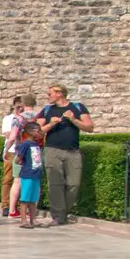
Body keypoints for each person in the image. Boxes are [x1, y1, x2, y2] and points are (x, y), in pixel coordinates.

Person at [36, 84, 95, 226]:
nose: (47, 96)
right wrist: (51, 124)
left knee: (74, 184)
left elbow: (90, 127)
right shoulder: (47, 110)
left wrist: (73, 120)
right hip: (52, 150)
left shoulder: (78, 107)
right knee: (55, 184)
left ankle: (62, 213)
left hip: (73, 151)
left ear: (60, 93)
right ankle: (58, 217)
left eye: (50, 93)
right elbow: (37, 131)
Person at [16, 122, 46, 228]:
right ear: (30, 132)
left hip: (36, 175)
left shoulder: (36, 144)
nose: (40, 133)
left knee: (33, 199)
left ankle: (33, 219)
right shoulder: (25, 144)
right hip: (27, 175)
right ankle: (23, 220)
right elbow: (18, 159)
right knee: (25, 199)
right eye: (37, 131)